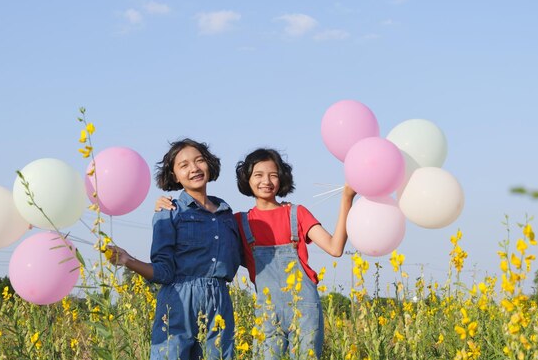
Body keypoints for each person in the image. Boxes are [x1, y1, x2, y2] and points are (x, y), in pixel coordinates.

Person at [157, 147, 355, 359]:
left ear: (282, 178)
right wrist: (170, 206)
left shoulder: (297, 213)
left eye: (273, 175)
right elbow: (205, 238)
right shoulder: (238, 221)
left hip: (305, 308)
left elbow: (335, 248)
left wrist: (347, 198)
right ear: (247, 180)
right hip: (266, 312)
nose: (266, 181)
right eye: (258, 175)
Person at [107, 138, 242, 360]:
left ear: (209, 164)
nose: (194, 168)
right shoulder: (168, 211)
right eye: (184, 165)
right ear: (174, 176)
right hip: (179, 301)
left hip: (220, 300)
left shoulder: (226, 213)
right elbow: (164, 271)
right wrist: (127, 259)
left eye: (199, 161)